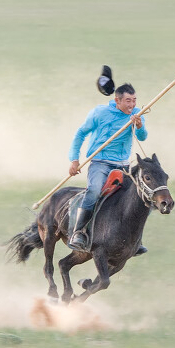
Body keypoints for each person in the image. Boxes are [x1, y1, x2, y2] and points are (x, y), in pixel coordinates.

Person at [67, 83, 148, 253]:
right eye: (128, 101)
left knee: (138, 196)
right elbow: (81, 133)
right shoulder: (99, 113)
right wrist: (74, 159)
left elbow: (143, 136)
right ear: (117, 100)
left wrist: (139, 125)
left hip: (123, 165)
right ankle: (79, 232)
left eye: (134, 100)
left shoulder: (136, 114)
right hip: (100, 163)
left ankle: (135, 240)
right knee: (94, 190)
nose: (132, 105)